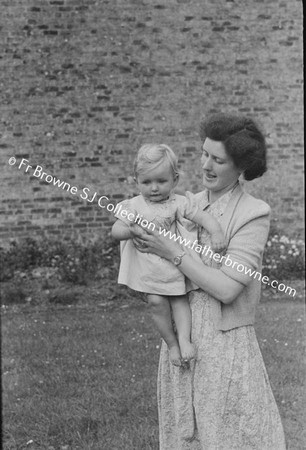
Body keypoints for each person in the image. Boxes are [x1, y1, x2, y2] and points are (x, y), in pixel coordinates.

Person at [131, 114, 287, 449]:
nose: (206, 166)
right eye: (204, 154)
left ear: (241, 166)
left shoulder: (252, 213)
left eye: (218, 160)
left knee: (229, 431)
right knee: (185, 431)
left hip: (224, 339)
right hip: (181, 333)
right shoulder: (185, 203)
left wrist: (173, 252)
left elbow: (227, 289)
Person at [112, 143, 226, 367]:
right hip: (149, 270)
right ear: (136, 181)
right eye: (146, 182)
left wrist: (216, 231)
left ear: (175, 179)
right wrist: (129, 230)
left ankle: (184, 340)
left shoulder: (178, 203)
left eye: (161, 181)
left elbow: (202, 218)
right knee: (156, 302)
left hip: (173, 265)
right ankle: (172, 344)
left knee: (179, 299)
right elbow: (115, 231)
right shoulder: (133, 206)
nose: (154, 188)